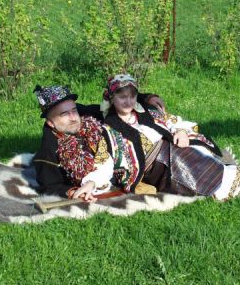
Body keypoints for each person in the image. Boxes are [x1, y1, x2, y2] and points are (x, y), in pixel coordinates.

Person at [99, 74, 240, 200]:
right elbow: (106, 161)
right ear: (111, 98)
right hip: (156, 166)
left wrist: (181, 131)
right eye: (122, 97)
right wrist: (93, 182)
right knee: (188, 165)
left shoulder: (145, 110)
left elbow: (171, 121)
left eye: (132, 96)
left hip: (171, 146)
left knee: (195, 153)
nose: (128, 101)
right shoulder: (109, 128)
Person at [32, 85, 165, 200]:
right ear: (51, 123)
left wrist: (147, 98)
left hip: (149, 150)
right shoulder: (49, 150)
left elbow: (117, 100)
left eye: (74, 110)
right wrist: (74, 192)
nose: (73, 118)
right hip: (134, 169)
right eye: (64, 114)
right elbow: (50, 185)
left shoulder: (87, 116)